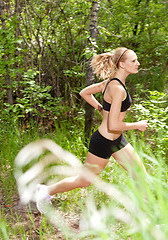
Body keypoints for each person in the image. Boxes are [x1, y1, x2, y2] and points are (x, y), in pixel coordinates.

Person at [35, 47, 149, 213]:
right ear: (122, 65)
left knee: (141, 175)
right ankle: (45, 191)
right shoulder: (117, 89)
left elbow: (85, 93)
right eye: (133, 61)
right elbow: (113, 125)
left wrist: (101, 108)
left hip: (116, 140)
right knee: (84, 180)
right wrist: (137, 125)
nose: (138, 63)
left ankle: (145, 219)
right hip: (104, 141)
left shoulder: (110, 82)